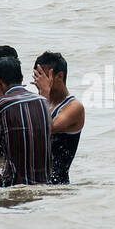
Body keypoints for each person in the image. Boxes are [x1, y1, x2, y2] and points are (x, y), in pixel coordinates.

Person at [0, 54, 50, 187]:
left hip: (14, 185)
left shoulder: (0, 103)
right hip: (45, 184)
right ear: (21, 77)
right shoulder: (42, 101)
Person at [32, 51, 84, 184]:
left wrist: (44, 93)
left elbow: (47, 128)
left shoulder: (74, 107)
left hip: (57, 187)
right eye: (37, 76)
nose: (38, 81)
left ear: (59, 76)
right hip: (35, 181)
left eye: (43, 76)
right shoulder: (43, 102)